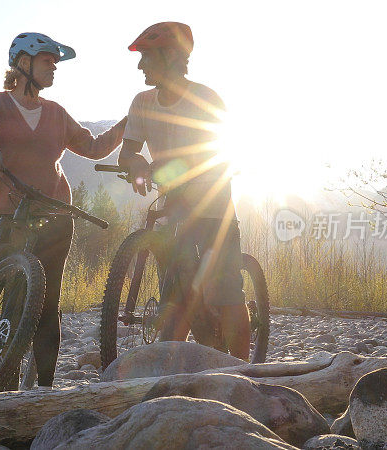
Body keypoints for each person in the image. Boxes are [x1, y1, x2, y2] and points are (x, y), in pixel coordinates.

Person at [0, 32, 127, 388]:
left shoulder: (56, 113)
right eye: (48, 60)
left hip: (54, 216)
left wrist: (129, 123)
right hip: (3, 215)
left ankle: (44, 391)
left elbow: (94, 148)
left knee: (47, 306)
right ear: (23, 63)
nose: (54, 68)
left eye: (55, 62)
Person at [117, 22, 250, 360]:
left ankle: (245, 374)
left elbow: (226, 149)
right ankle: (169, 372)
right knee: (177, 292)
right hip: (174, 205)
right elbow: (127, 152)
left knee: (227, 293)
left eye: (147, 57)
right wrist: (135, 164)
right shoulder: (142, 102)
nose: (140, 65)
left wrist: (169, 169)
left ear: (172, 56)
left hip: (212, 206)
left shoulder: (205, 98)